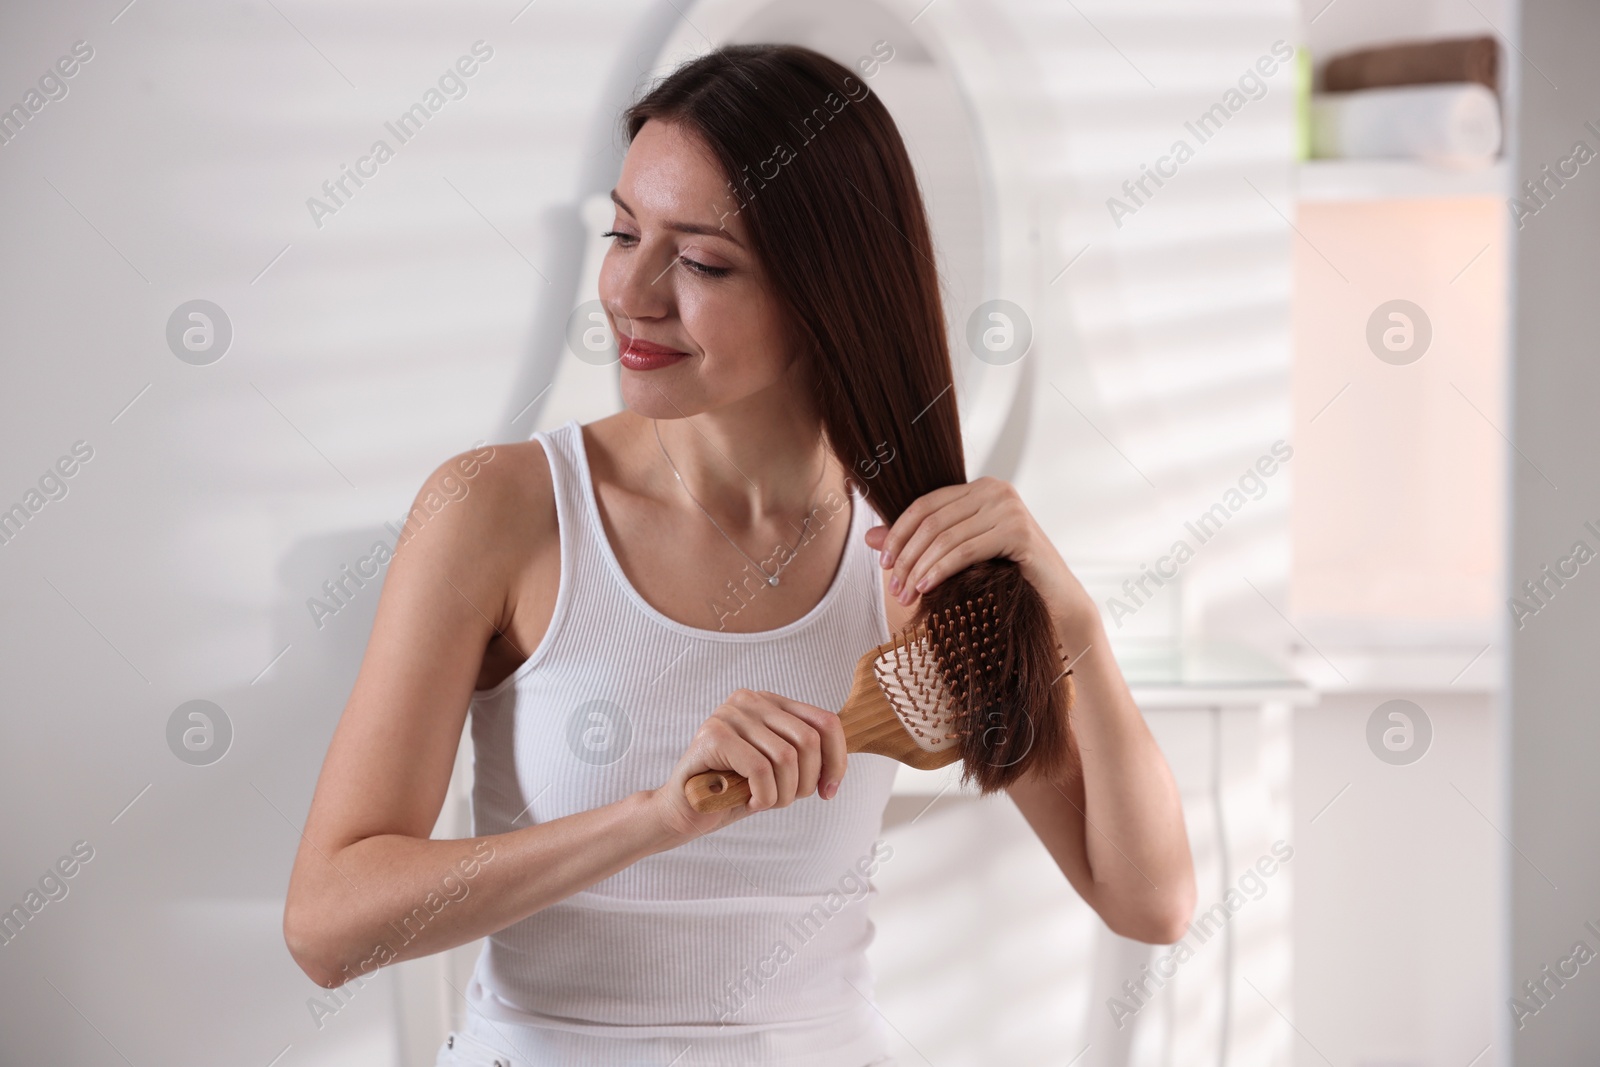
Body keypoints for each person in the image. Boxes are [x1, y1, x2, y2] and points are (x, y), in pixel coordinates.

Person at [282, 43, 1195, 1067]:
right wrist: (654, 817)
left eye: (703, 261)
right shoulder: (497, 508)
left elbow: (1149, 900)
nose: (630, 290)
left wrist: (1076, 629)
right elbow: (327, 924)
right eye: (622, 231)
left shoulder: (906, 553)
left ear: (828, 293)